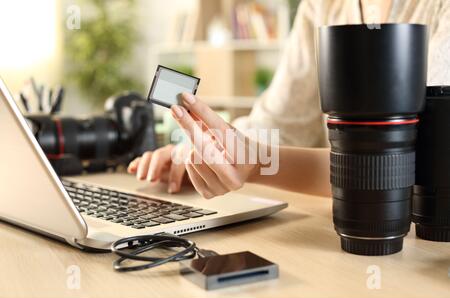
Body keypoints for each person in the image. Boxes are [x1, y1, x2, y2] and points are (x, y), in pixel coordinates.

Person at [128, 0, 450, 198]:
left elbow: (425, 164)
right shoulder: (322, 5)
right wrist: (212, 150)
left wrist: (257, 163)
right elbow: (279, 122)